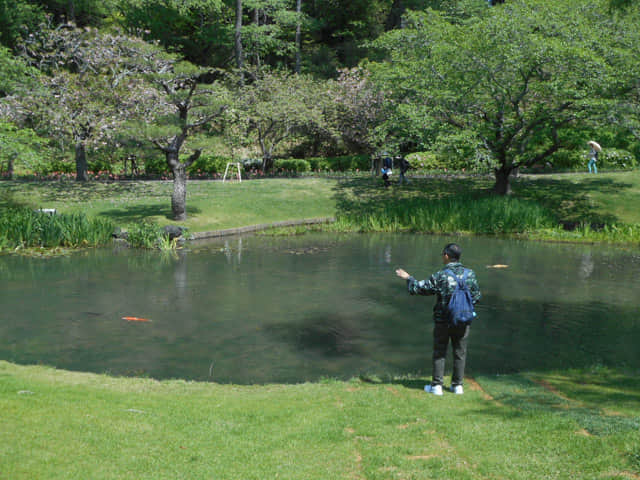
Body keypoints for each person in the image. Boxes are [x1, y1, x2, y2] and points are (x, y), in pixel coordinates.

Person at [395, 243, 481, 396]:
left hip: (443, 321)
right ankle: (457, 386)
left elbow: (420, 288)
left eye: (443, 254)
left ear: (447, 256)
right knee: (460, 352)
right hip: (463, 320)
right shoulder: (470, 274)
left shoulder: (442, 275)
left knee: (440, 352)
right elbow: (476, 297)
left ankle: (437, 386)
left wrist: (408, 277)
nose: (442, 256)